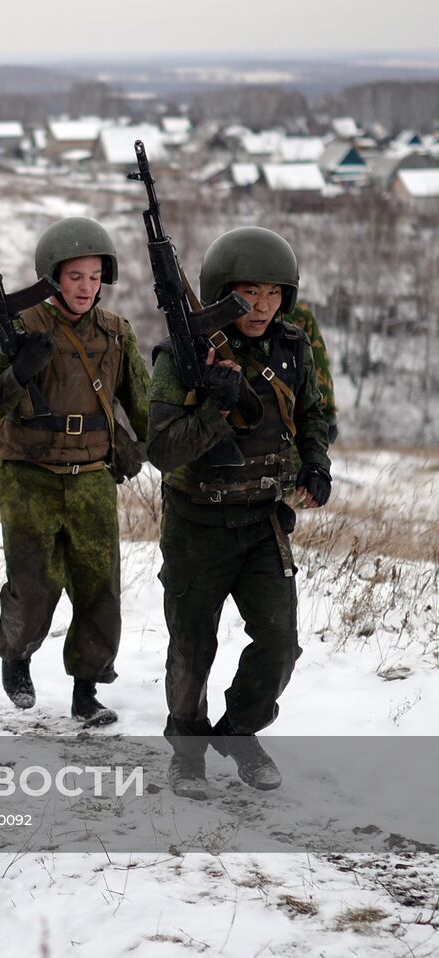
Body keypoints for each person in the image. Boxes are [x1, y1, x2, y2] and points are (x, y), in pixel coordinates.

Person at [147, 226, 331, 798]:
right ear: (222, 293)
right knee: (192, 646)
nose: (263, 306)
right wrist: (216, 410)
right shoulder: (183, 357)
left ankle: (242, 731)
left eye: (275, 294)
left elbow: (314, 414)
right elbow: (162, 449)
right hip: (197, 524)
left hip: (263, 522)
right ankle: (188, 747)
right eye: (249, 294)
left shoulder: (292, 348)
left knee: (280, 642)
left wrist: (316, 462)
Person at [0, 216, 150, 727]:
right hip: (30, 475)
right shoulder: (22, 326)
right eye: (75, 276)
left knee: (99, 588)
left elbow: (143, 404)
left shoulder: (116, 334)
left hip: (92, 474)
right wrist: (18, 371)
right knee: (34, 584)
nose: (86, 287)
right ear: (52, 278)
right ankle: (16, 654)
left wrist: (144, 446)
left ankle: (86, 690)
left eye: (94, 277)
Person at [283, 301, 339, 442]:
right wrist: (327, 414)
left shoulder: (226, 305)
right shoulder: (298, 313)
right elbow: (318, 366)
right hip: (293, 420)